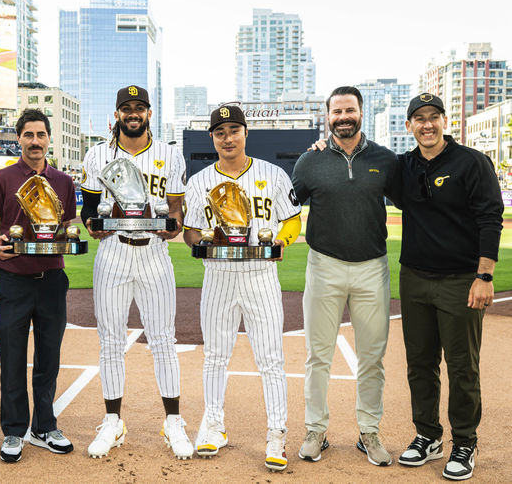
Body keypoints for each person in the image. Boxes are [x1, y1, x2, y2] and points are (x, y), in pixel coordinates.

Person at [182, 105, 301, 470]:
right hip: (217, 276)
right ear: (213, 138)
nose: (227, 137)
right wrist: (200, 241)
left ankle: (277, 432)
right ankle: (213, 424)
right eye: (220, 132)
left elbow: (292, 221)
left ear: (246, 133)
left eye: (234, 130)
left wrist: (281, 242)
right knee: (215, 356)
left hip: (259, 274)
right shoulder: (199, 181)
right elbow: (189, 232)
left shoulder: (273, 174)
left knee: (271, 359)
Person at [80, 85, 193, 460]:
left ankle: (173, 421)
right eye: (126, 108)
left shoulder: (169, 155)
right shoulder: (98, 154)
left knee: (163, 340)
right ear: (117, 114)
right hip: (113, 252)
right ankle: (113, 422)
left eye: (139, 108)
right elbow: (89, 214)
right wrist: (98, 222)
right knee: (111, 341)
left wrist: (171, 225)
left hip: (155, 254)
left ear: (148, 113)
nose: (133, 114)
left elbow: (177, 211)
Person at [395, 94, 503, 480]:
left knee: (462, 368)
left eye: (433, 117)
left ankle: (465, 442)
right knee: (420, 364)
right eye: (418, 119)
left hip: (460, 280)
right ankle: (427, 435)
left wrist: (484, 275)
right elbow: (365, 169)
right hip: (415, 279)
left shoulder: (472, 162)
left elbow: (491, 217)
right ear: (409, 126)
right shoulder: (404, 166)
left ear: (444, 121)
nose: (426, 124)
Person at [291, 86, 398, 466]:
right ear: (328, 116)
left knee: (372, 357)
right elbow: (285, 203)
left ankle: (369, 431)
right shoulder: (310, 161)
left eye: (349, 110)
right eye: (336, 112)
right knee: (317, 356)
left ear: (361, 113)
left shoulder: (386, 160)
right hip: (324, 265)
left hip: (373, 267)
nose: (343, 117)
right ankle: (316, 430)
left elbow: (417, 203)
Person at [0, 108, 77, 463]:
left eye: (41, 135)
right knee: (11, 358)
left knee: (48, 359)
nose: (35, 141)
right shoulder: (2, 179)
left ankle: (44, 426)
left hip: (52, 280)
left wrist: (70, 239)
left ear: (48, 139)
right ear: (18, 139)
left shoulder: (64, 182)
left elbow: (69, 227)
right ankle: (13, 430)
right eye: (28, 135)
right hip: (13, 281)